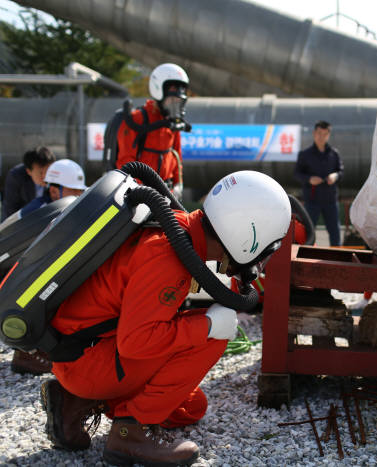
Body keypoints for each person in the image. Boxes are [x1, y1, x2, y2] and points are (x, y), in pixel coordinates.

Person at [40, 171, 291, 466]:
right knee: (211, 338)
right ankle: (128, 433)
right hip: (88, 361)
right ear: (247, 233)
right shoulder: (166, 255)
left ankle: (74, 402)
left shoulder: (179, 232)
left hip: (89, 351)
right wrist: (207, 326)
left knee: (192, 407)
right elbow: (136, 343)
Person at [6, 159, 87, 375]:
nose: (80, 196)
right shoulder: (43, 215)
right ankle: (28, 352)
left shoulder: (46, 209)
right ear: (54, 191)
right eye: (74, 191)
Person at [116, 63, 189, 199]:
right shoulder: (137, 120)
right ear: (159, 92)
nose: (175, 105)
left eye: (178, 101)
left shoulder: (172, 124)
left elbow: (176, 155)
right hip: (139, 194)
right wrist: (138, 191)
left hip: (166, 194)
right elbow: (125, 161)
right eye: (172, 99)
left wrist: (178, 185)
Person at [294, 120, 344, 246]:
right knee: (307, 234)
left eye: (325, 134)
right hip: (312, 201)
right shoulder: (305, 154)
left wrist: (335, 176)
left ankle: (337, 261)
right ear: (314, 133)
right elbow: (297, 174)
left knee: (335, 233)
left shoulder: (334, 154)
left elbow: (341, 171)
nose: (321, 137)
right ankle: (305, 259)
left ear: (329, 135)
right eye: (319, 133)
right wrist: (309, 179)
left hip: (331, 200)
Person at [4, 159, 87, 224]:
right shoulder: (37, 211)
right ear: (53, 191)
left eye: (81, 190)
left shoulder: (81, 208)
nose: (79, 194)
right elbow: (6, 228)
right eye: (73, 190)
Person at [2, 146, 56, 221]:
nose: (45, 176)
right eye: (41, 173)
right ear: (28, 171)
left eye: (48, 171)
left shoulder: (57, 175)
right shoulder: (16, 176)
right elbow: (10, 209)